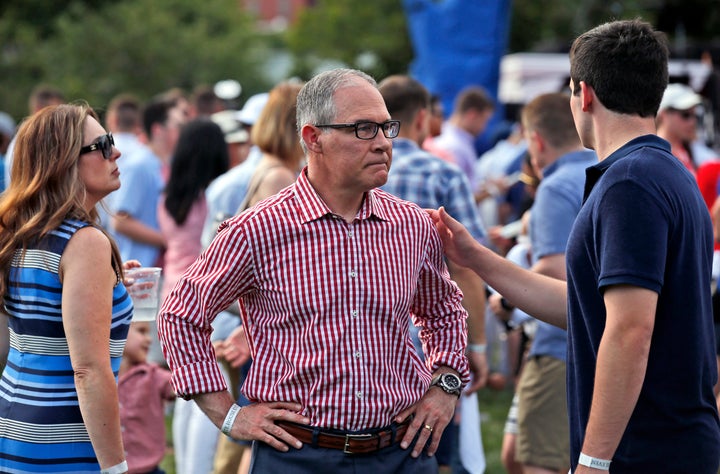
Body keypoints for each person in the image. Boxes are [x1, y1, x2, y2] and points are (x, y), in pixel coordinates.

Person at [427, 19, 720, 473]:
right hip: (666, 444)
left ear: (584, 95)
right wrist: (477, 257)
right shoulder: (662, 171)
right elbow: (586, 308)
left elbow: (629, 330)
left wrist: (592, 461)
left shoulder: (630, 182)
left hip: (645, 451)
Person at [158, 68, 470, 474]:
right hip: (298, 455)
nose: (382, 143)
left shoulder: (410, 224)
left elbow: (444, 310)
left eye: (385, 127)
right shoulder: (258, 229)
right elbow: (180, 315)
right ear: (313, 138)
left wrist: (445, 386)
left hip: (400, 452)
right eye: (363, 129)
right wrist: (230, 416)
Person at [0, 103, 133, 473]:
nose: (116, 152)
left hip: (15, 428)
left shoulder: (17, 233)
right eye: (103, 145)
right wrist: (115, 468)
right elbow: (89, 370)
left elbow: (23, 334)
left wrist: (114, 289)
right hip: (65, 439)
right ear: (63, 161)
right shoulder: (85, 243)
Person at [378, 74, 487, 473]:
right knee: (438, 452)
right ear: (422, 117)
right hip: (434, 348)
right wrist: (476, 348)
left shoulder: (351, 176)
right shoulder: (443, 173)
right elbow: (467, 267)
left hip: (373, 351)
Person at [513, 92, 597, 474]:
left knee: (539, 461)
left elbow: (552, 270)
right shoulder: (608, 172)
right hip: (608, 348)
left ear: (537, 141)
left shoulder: (554, 185)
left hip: (560, 350)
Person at [157, 118, 229, 474]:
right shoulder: (210, 197)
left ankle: (185, 465)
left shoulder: (170, 196)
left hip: (172, 286)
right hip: (203, 293)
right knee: (209, 384)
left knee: (186, 388)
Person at [119, 320, 175, 474]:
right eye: (141, 331)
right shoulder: (99, 378)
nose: (149, 339)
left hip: (148, 470)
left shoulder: (152, 375)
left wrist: (200, 364)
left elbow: (179, 386)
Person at [433, 85, 495, 191]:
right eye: (485, 120)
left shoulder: (456, 139)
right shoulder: (455, 146)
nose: (484, 128)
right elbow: (456, 193)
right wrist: (493, 190)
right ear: (472, 115)